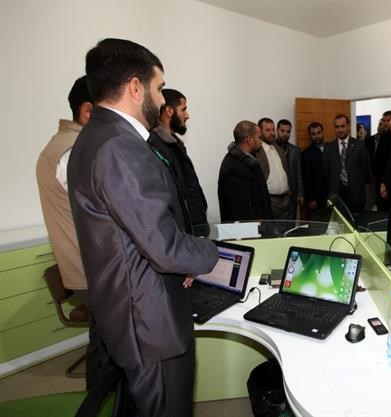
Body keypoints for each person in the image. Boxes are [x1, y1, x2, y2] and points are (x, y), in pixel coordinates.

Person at [67, 38, 219, 417]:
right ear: (136, 87)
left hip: (129, 311)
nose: (162, 97)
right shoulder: (119, 147)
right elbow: (163, 246)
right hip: (151, 323)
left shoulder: (94, 137)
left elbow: (133, 234)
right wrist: (210, 252)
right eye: (159, 87)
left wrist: (179, 261)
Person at [36, 75, 112, 388]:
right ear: (87, 110)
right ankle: (101, 399)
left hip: (84, 266)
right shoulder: (73, 152)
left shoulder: (60, 146)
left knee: (104, 344)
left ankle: (100, 397)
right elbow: (105, 214)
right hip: (91, 269)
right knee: (110, 348)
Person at [147, 88, 209, 230]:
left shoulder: (174, 144)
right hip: (180, 229)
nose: (187, 116)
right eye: (183, 109)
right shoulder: (156, 146)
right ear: (169, 111)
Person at [218, 121, 272, 221]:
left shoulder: (250, 160)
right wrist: (256, 223)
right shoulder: (233, 166)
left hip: (260, 226)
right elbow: (239, 209)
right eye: (259, 138)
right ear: (249, 140)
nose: (261, 142)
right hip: (248, 228)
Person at [323, 114, 370, 210]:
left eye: (342, 126)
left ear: (348, 126)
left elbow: (366, 169)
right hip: (336, 194)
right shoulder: (328, 147)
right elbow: (326, 172)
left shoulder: (359, 145)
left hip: (356, 193)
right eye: (337, 127)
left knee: (356, 218)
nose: (340, 130)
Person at [255, 117, 291, 220]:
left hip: (285, 200)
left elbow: (286, 172)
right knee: (270, 229)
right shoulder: (256, 152)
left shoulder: (279, 149)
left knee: (285, 229)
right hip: (269, 201)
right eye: (268, 130)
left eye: (273, 129)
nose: (272, 133)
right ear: (260, 131)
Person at [275, 119, 304, 221]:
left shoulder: (295, 150)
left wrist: (300, 193)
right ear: (277, 130)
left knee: (291, 223)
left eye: (288, 131)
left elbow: (299, 173)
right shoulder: (271, 149)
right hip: (276, 196)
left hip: (292, 194)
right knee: (277, 225)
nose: (285, 134)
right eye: (282, 131)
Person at [301, 122, 328, 217]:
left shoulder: (331, 148)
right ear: (310, 135)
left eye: (319, 132)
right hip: (316, 198)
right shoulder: (306, 154)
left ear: (323, 132)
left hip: (332, 195)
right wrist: (311, 199)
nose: (317, 136)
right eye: (313, 134)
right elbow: (306, 178)